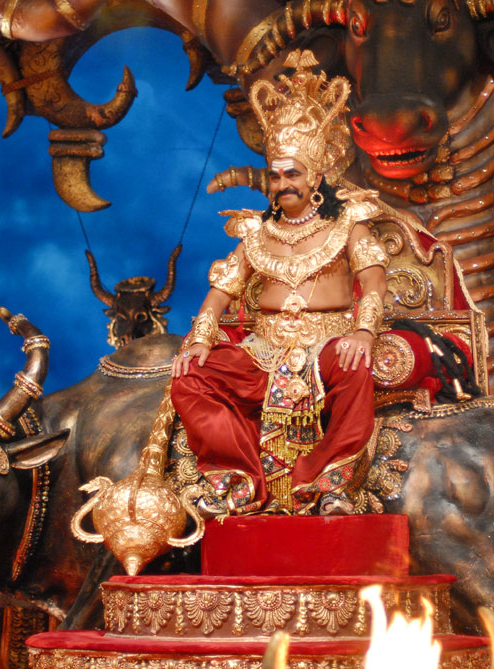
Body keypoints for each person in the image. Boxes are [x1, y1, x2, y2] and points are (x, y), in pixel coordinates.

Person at [170, 50, 390, 517]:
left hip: (329, 344)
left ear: (316, 176)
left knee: (355, 369)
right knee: (190, 377)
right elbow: (221, 292)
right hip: (263, 351)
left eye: (293, 173)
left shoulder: (348, 224)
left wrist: (364, 333)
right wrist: (201, 339)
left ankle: (328, 486)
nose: (282, 182)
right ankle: (238, 483)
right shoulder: (254, 231)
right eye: (275, 175)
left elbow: (373, 281)